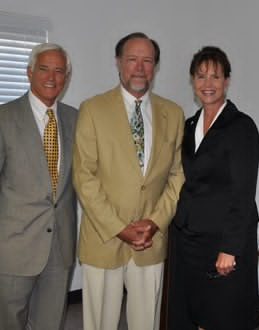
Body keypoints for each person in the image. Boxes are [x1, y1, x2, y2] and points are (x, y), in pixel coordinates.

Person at [72, 32, 185, 330]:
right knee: (100, 323)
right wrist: (119, 228)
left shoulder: (173, 114)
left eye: (147, 60)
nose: (139, 67)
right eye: (132, 59)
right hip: (103, 236)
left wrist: (155, 222)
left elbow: (177, 175)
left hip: (151, 239)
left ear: (156, 67)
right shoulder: (92, 109)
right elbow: (84, 176)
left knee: (146, 321)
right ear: (118, 63)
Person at [0, 43, 78, 330]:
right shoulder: (0, 119)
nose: (52, 77)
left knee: (49, 324)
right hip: (11, 249)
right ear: (29, 72)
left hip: (60, 248)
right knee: (5, 324)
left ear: (67, 77)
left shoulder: (75, 119)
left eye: (59, 70)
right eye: (44, 69)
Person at [168, 46, 259, 330]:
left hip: (222, 241)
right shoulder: (188, 125)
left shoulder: (241, 127)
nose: (207, 84)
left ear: (227, 81)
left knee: (221, 317)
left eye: (215, 77)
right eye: (201, 76)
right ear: (192, 82)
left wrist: (230, 249)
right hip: (187, 239)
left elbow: (243, 193)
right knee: (189, 313)